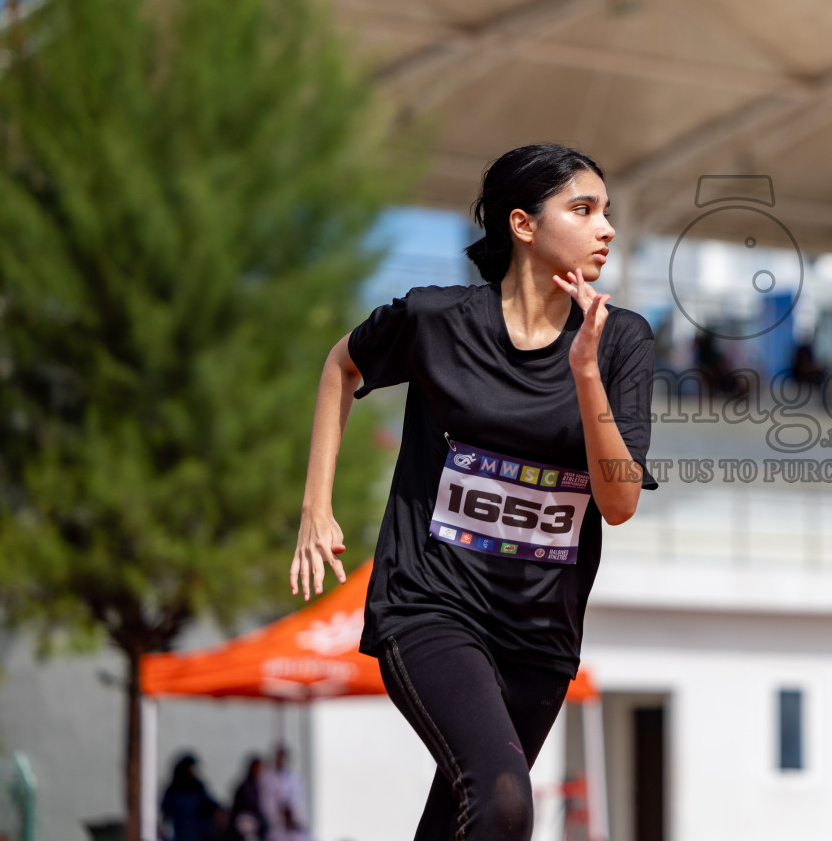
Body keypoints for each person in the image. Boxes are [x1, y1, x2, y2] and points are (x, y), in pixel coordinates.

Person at [289, 143, 658, 841]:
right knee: (505, 801)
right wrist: (317, 507)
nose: (606, 228)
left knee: (465, 823)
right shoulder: (437, 320)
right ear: (523, 225)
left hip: (541, 634)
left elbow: (619, 503)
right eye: (583, 210)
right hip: (431, 606)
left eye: (608, 212)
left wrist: (585, 374)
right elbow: (342, 364)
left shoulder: (621, 342)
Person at [160, 752, 221, 841]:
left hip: (199, 833)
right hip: (180, 834)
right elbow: (166, 814)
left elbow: (208, 804)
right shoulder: (173, 790)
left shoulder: (198, 787)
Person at [260, 745, 308, 841]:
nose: (280, 761)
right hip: (275, 825)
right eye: (278, 758)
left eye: (283, 758)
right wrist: (279, 814)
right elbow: (266, 804)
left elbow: (299, 800)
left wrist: (293, 816)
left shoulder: (294, 779)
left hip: (292, 825)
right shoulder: (267, 779)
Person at [224, 756, 269, 841]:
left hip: (254, 820)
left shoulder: (259, 785)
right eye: (257, 768)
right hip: (244, 819)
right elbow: (250, 805)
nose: (259, 771)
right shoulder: (246, 786)